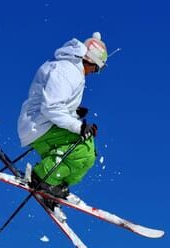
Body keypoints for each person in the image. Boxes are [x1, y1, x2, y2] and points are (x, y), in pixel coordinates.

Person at [17, 32, 108, 203]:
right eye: (96, 68)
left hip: (45, 125)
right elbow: (51, 107)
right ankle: (42, 177)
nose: (94, 72)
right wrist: (78, 126)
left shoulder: (72, 71)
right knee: (82, 149)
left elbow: (56, 103)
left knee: (89, 154)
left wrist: (74, 113)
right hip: (38, 125)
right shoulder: (67, 71)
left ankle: (54, 185)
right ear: (89, 60)